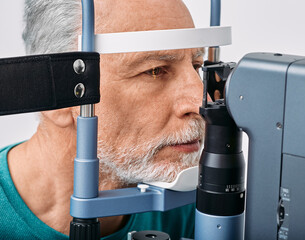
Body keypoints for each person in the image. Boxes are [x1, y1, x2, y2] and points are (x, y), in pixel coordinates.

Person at [0, 0, 205, 239]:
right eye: (155, 70)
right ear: (59, 96)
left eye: (197, 66)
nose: (201, 102)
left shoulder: (193, 207)